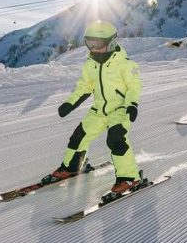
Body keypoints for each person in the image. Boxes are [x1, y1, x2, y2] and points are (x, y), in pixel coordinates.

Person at [49, 21, 143, 195]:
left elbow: (133, 86)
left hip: (120, 110)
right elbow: (84, 87)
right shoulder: (90, 63)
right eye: (89, 43)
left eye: (97, 44)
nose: (93, 48)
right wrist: (70, 103)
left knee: (116, 140)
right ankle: (72, 166)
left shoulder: (126, 64)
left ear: (111, 42)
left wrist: (132, 104)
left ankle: (129, 177)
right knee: (78, 137)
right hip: (99, 111)